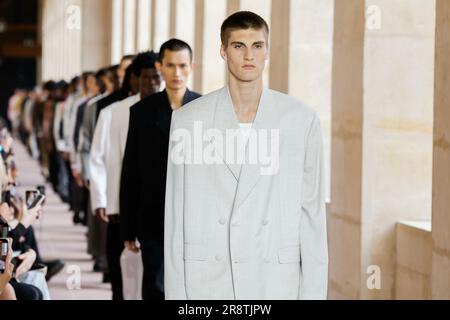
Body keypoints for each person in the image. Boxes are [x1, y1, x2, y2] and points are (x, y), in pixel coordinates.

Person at [164, 11, 328, 300]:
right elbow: (175, 216)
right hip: (208, 282)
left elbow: (312, 216)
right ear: (223, 51)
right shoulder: (188, 121)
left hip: (275, 280)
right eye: (239, 46)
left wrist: (313, 294)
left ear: (267, 51)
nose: (249, 55)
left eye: (257, 46)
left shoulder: (301, 121)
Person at [120, 39, 201, 300]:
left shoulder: (208, 109)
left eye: (182, 66)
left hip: (195, 215)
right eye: (170, 66)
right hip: (153, 213)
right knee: (155, 282)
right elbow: (131, 169)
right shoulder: (142, 111)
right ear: (160, 67)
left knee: (192, 284)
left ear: (191, 67)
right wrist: (128, 226)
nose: (177, 73)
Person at [89, 51, 161, 300]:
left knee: (153, 277)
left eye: (156, 78)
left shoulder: (176, 111)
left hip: (155, 208)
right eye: (145, 78)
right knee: (121, 274)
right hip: (120, 206)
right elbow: (97, 158)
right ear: (135, 80)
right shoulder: (114, 112)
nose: (151, 83)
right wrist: (101, 200)